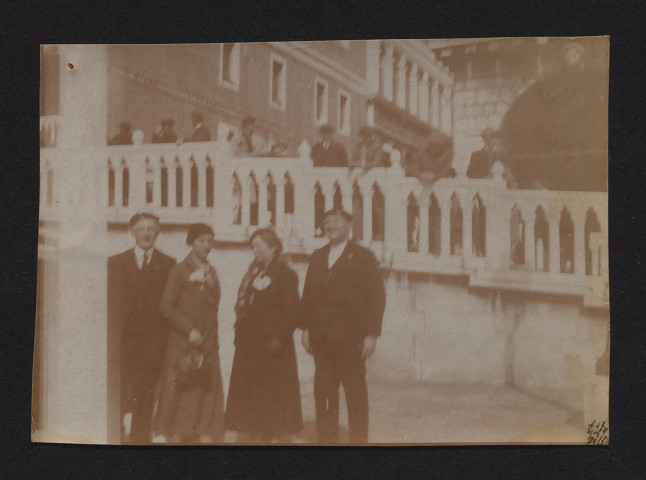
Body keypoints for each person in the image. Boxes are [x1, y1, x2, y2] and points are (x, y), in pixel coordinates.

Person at [300, 208, 386, 444]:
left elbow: (376, 297)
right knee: (324, 395)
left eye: (336, 221)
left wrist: (371, 334)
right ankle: (328, 445)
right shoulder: (317, 256)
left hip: (352, 339)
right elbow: (308, 294)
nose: (330, 225)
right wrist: (305, 328)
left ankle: (359, 445)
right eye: (326, 221)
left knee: (355, 394)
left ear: (349, 225)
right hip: (321, 338)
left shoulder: (363, 256)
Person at [225, 228, 304, 443]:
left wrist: (278, 336)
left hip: (274, 344)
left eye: (258, 246)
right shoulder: (254, 271)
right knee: (255, 390)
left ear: (273, 247)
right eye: (252, 247)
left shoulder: (285, 273)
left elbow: (294, 312)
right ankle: (258, 432)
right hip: (252, 344)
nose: (254, 251)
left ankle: (277, 435)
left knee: (275, 391)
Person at [107, 212, 175, 444]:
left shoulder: (168, 264)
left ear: (158, 232)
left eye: (151, 229)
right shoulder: (115, 262)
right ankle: (113, 443)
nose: (146, 233)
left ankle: (139, 447)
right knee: (118, 397)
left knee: (145, 400)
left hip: (152, 346)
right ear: (132, 231)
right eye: (142, 229)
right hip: (123, 344)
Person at [154, 223, 224, 443]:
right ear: (191, 243)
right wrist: (189, 329)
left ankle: (202, 432)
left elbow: (213, 307)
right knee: (175, 385)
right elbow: (165, 307)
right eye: (201, 240)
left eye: (209, 241)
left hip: (207, 341)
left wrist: (209, 336)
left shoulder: (212, 272)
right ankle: (165, 433)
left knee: (205, 388)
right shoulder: (179, 270)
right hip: (182, 341)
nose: (206, 245)